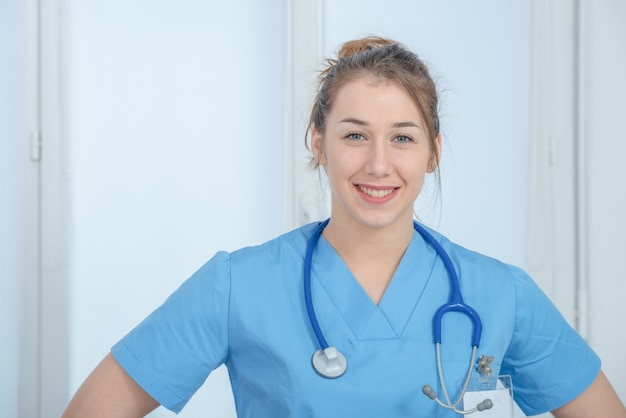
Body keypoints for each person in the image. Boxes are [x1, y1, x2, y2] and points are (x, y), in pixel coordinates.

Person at [63, 36, 625, 417]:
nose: (378, 164)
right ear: (318, 143)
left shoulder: (501, 294)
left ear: (433, 152)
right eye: (355, 134)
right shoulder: (240, 285)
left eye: (402, 137)